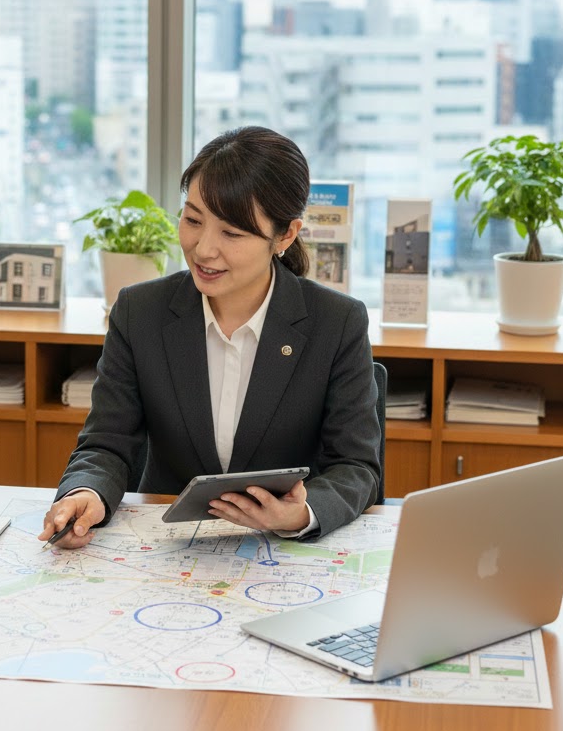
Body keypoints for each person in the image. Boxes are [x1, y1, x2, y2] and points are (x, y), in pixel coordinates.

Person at [38, 126, 381, 550]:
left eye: (232, 234)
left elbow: (355, 466)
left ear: (286, 235)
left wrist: (302, 514)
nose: (203, 249)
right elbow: (107, 442)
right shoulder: (139, 312)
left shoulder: (337, 322)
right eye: (193, 220)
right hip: (167, 546)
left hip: (280, 552)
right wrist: (85, 493)